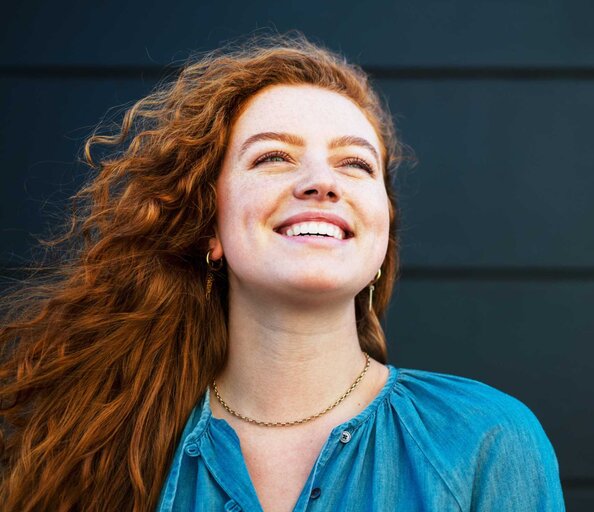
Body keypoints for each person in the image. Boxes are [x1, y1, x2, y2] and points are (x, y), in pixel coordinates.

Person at [0, 33, 565, 511]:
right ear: (209, 229)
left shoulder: (485, 439)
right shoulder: (100, 450)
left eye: (355, 163)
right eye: (274, 157)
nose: (322, 182)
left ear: (381, 230)